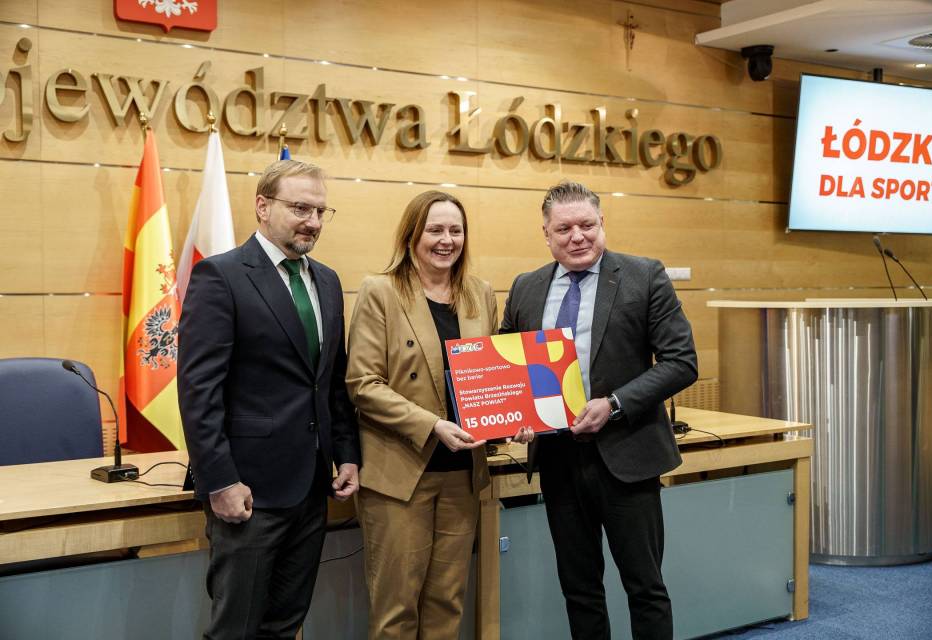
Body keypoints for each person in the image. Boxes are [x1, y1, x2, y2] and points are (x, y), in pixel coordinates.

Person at [500, 180, 698, 640]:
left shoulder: (644, 275)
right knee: (579, 589)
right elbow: (509, 366)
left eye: (587, 225)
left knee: (645, 588)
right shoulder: (526, 287)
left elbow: (682, 361)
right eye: (564, 228)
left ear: (602, 223)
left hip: (627, 455)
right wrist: (516, 414)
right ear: (546, 234)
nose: (578, 237)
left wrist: (614, 404)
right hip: (558, 461)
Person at [178, 159, 361, 640]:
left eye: (320, 211)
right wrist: (220, 481)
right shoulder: (221, 276)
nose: (313, 222)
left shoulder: (327, 281)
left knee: (285, 625)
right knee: (236, 630)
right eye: (300, 208)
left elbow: (330, 380)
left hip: (312, 487)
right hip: (248, 491)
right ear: (262, 206)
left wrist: (346, 454)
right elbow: (199, 391)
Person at [346, 190, 533, 640]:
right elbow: (363, 383)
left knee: (447, 605)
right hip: (400, 475)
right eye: (435, 230)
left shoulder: (479, 294)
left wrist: (513, 420)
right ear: (412, 235)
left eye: (455, 230)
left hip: (462, 473)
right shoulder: (380, 291)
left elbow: (489, 380)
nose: (446, 240)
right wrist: (431, 425)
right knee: (396, 612)